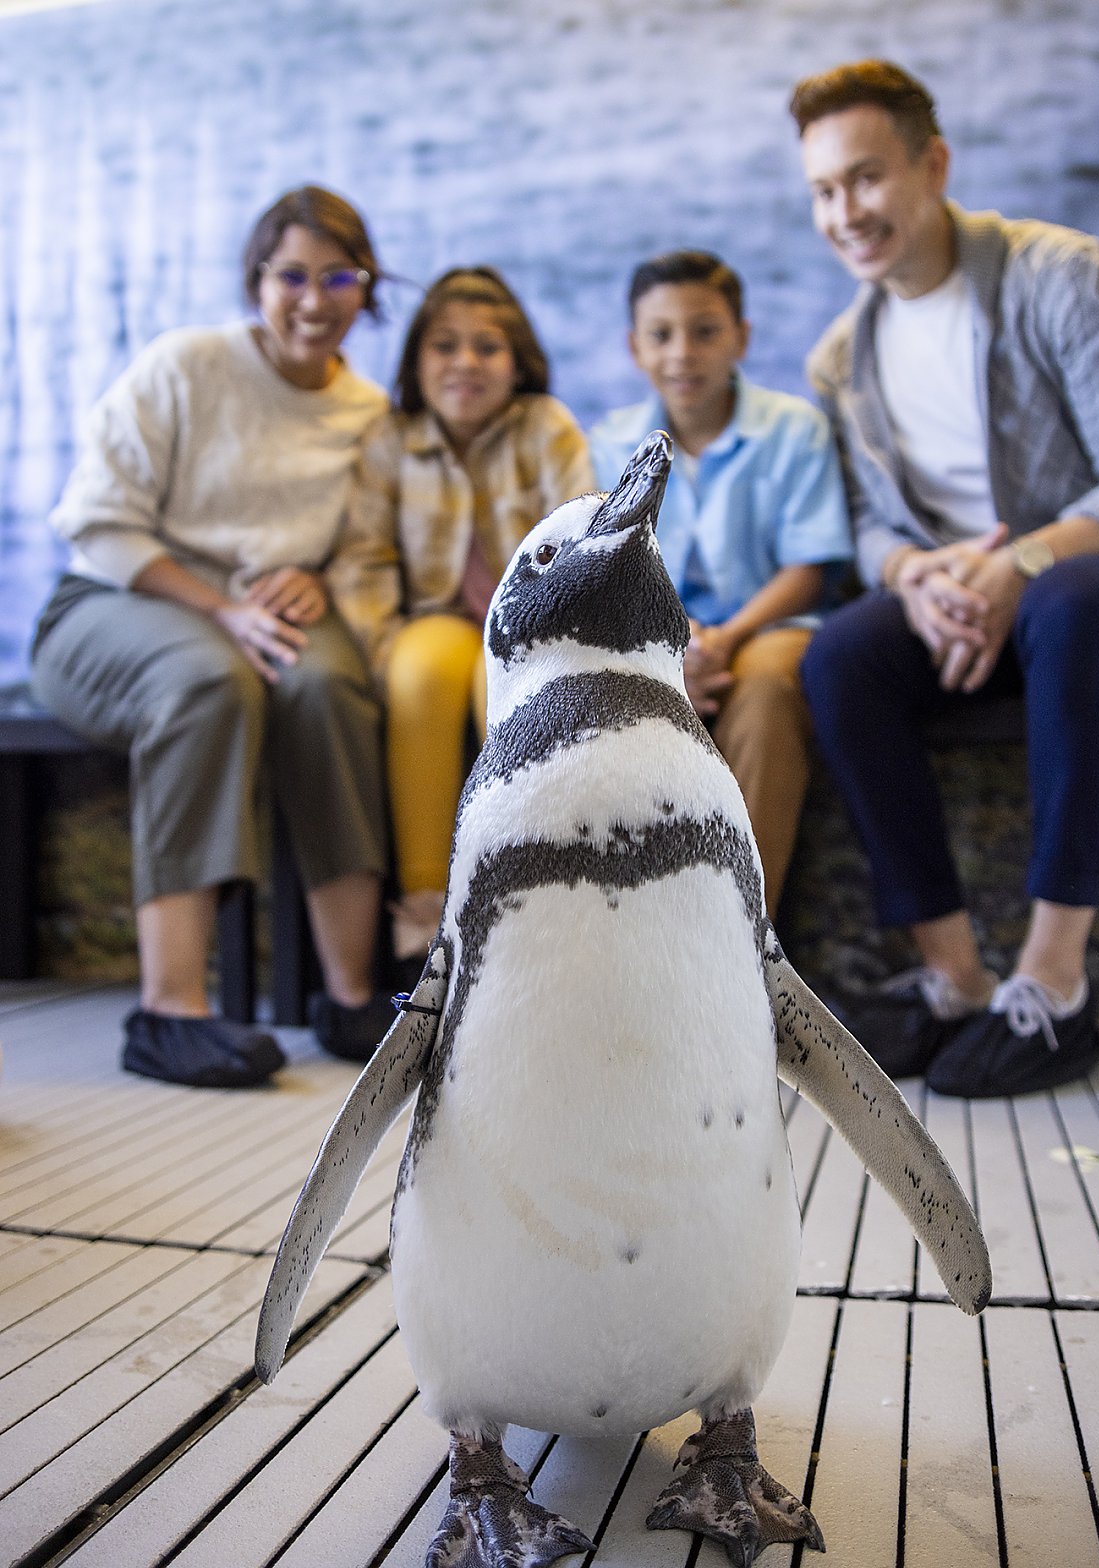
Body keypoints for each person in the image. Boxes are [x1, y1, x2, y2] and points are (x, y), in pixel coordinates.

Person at [790, 60, 1099, 1096]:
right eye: (824, 192)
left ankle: (1055, 984)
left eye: (867, 178)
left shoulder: (1061, 274)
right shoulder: (843, 355)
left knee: (1072, 598)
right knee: (841, 653)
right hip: (974, 611)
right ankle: (955, 977)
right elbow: (869, 520)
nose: (847, 213)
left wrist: (1020, 562)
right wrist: (918, 575)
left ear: (933, 163)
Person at [32, 185, 397, 1088]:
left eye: (339, 277)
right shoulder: (185, 366)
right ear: (256, 281)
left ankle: (352, 998)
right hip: (114, 604)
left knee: (330, 686)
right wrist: (220, 608)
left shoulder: (371, 414)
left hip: (272, 621)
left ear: (368, 287)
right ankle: (170, 1011)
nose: (315, 300)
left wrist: (318, 574)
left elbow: (370, 542)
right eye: (293, 276)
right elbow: (100, 525)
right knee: (207, 681)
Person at [328, 266, 593, 980]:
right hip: (434, 620)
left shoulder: (546, 426)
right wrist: (379, 644)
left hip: (528, 623)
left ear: (520, 362)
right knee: (418, 675)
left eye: (487, 347)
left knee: (505, 690)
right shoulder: (392, 439)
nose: (465, 363)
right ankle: (423, 910)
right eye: (445, 346)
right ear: (417, 360)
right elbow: (364, 558)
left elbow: (581, 539)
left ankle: (527, 899)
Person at [589, 250, 851, 919]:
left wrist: (727, 637)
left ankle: (742, 935)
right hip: (657, 639)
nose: (683, 352)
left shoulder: (795, 430)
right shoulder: (610, 443)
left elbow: (808, 567)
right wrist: (671, 651)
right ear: (634, 347)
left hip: (768, 628)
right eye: (661, 334)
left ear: (741, 336)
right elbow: (605, 573)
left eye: (706, 331)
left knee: (764, 690)